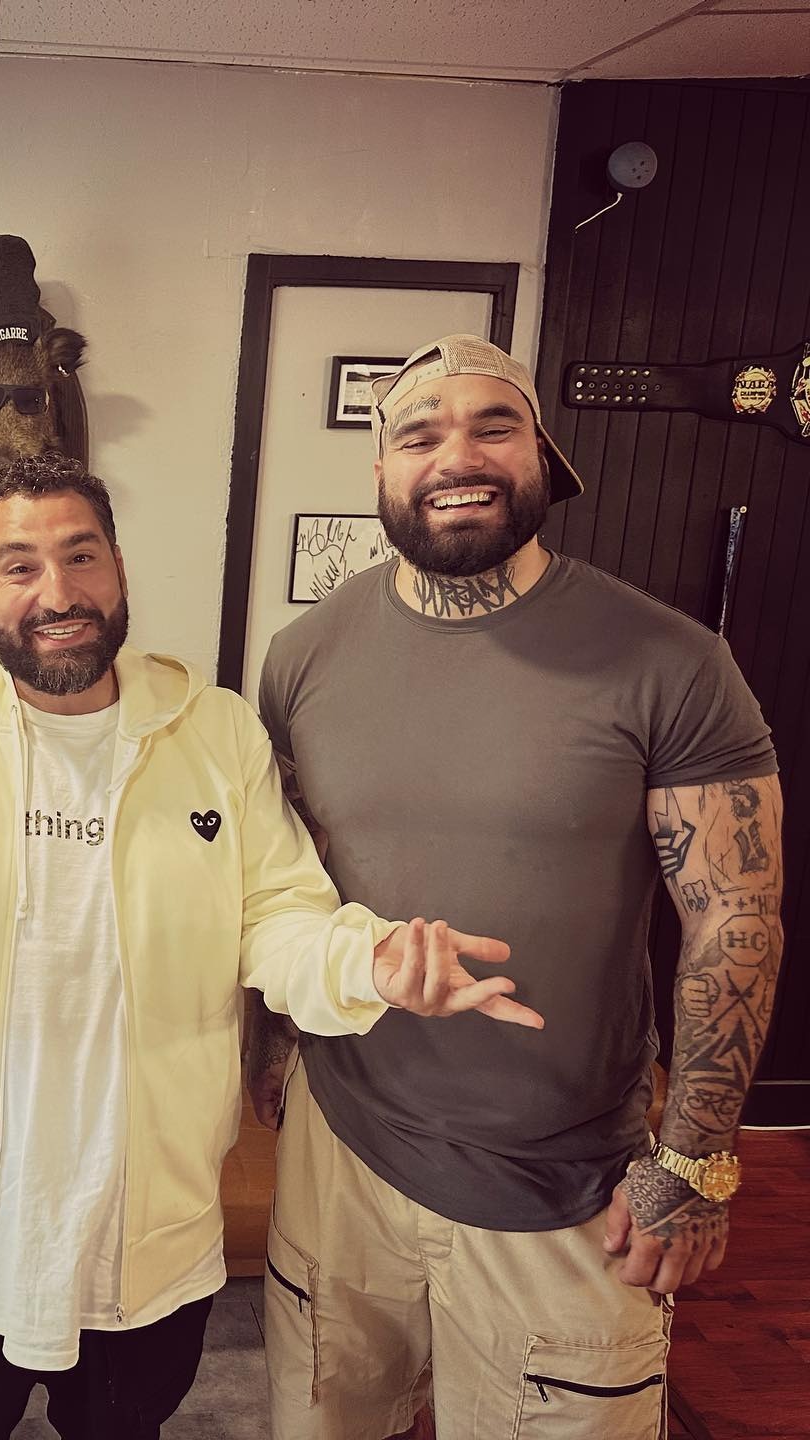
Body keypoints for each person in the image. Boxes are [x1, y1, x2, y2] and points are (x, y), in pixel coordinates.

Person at [0, 452, 542, 1440]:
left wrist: (365, 964)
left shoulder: (216, 733)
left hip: (145, 1247)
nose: (58, 592)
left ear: (118, 568)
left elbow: (279, 920)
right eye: (19, 566)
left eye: (81, 556)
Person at [246, 334, 783, 1440]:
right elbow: (285, 877)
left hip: (566, 1184)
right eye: (420, 435)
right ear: (381, 470)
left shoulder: (672, 663)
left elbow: (734, 916)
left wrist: (695, 1158)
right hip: (342, 1153)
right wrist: (274, 1042)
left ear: (544, 456)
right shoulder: (302, 657)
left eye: (493, 426)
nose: (458, 456)